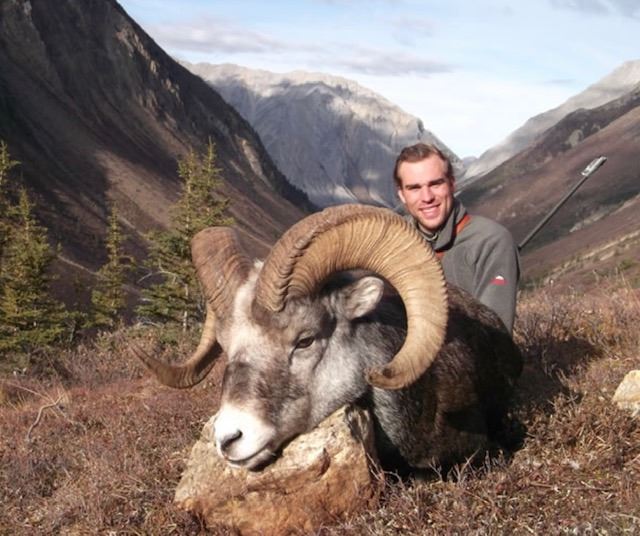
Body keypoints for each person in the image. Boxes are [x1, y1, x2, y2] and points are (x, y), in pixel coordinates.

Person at [393, 142, 519, 333]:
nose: (427, 197)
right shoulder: (394, 243)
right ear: (402, 195)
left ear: (452, 184)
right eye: (414, 188)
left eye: (435, 184)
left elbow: (495, 336)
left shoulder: (491, 242)